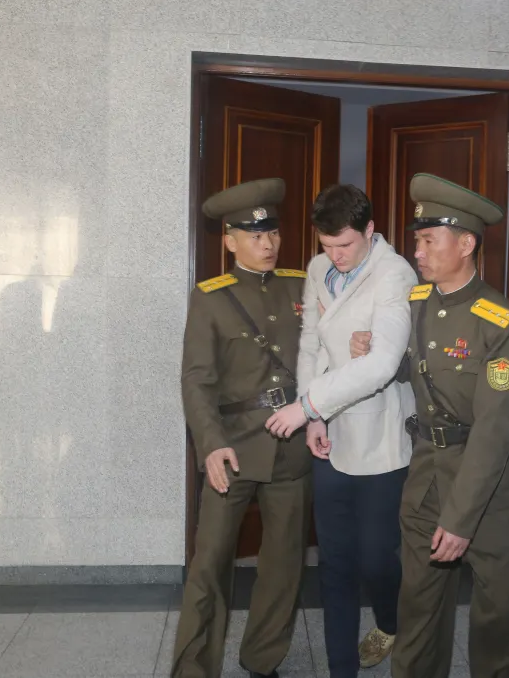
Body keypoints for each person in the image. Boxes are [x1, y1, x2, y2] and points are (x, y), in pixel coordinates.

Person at [349, 174, 509, 678]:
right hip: (427, 475)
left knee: (496, 617)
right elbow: (415, 368)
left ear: (466, 244)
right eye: (418, 241)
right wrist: (375, 351)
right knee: (418, 606)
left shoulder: (501, 323)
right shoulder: (416, 303)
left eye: (429, 240)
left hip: (490, 492)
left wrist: (459, 520)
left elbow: (495, 430)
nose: (418, 252)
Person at [264, 184, 418, 677]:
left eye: (346, 245)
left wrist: (307, 405)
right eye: (327, 245)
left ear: (370, 230)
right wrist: (315, 417)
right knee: (335, 561)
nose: (336, 256)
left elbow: (382, 364)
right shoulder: (317, 268)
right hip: (329, 434)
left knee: (376, 558)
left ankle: (390, 621)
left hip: (379, 437)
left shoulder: (394, 273)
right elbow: (310, 343)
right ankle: (341, 669)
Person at [172, 178, 311, 678]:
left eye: (272, 232)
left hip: (292, 445)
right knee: (209, 563)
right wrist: (210, 445)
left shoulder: (302, 284)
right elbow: (197, 380)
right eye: (255, 236)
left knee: (283, 563)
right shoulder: (211, 297)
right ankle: (194, 667)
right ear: (230, 241)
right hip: (232, 449)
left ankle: (263, 658)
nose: (268, 244)